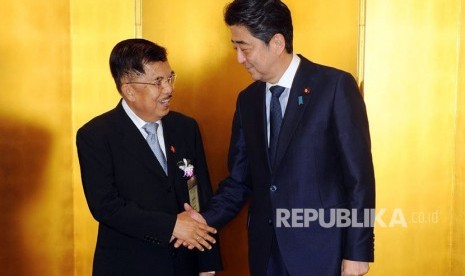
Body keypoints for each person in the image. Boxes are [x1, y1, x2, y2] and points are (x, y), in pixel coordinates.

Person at [180, 0, 375, 275]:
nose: (239, 58)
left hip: (323, 252)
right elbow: (239, 181)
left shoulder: (334, 87)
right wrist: (201, 220)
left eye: (244, 47)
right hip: (265, 254)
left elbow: (359, 179)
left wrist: (357, 252)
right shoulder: (248, 100)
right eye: (234, 48)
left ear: (277, 42)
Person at [76, 38, 222, 276]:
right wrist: (171, 226)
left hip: (184, 264)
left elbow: (199, 193)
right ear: (129, 89)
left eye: (169, 78)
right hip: (129, 265)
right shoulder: (96, 135)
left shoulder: (185, 127)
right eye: (158, 82)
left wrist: (207, 262)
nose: (169, 89)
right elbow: (106, 207)